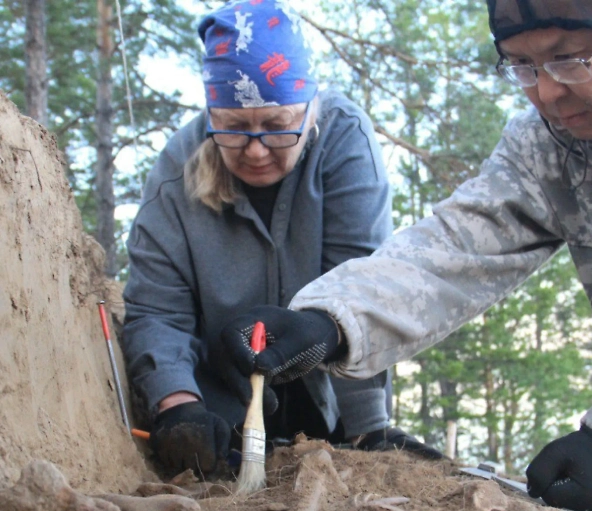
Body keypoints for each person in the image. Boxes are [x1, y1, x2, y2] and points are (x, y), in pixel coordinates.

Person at [213, 0, 592, 511]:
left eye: (569, 58)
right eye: (521, 66)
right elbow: (454, 246)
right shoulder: (544, 145)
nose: (546, 91)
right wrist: (328, 322)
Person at [122, 0, 438, 479]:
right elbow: (157, 310)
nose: (255, 149)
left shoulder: (344, 141)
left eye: (276, 125)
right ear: (211, 113)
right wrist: (177, 405)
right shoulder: (175, 173)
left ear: (312, 109)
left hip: (325, 394)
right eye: (233, 127)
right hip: (218, 410)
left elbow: (362, 286)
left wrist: (369, 429)